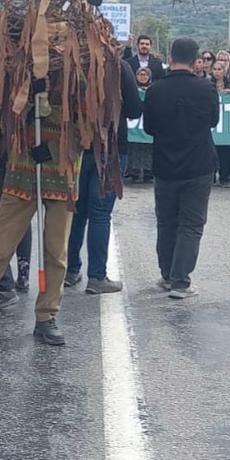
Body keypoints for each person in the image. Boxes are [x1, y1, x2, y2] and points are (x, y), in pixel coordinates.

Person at [0, 69, 82, 347]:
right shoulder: (18, 69)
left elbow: (95, 121)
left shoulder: (79, 72)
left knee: (56, 251)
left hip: (63, 172)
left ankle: (46, 316)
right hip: (23, 169)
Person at [143, 38, 220, 299]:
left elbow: (149, 128)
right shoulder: (207, 89)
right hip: (198, 164)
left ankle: (167, 274)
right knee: (191, 224)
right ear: (195, 59)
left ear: (170, 57)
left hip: (165, 163)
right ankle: (180, 280)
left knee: (166, 221)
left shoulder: (155, 90)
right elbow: (213, 121)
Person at [66, 60, 143, 294]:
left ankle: (69, 270)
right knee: (100, 214)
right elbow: (134, 109)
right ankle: (97, 277)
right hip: (110, 148)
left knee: (76, 212)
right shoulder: (118, 66)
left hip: (76, 147)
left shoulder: (72, 61)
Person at [210, 61, 230, 186]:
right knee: (216, 150)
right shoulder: (208, 85)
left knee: (228, 151)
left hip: (228, 121)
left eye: (219, 69)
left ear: (224, 71)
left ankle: (229, 176)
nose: (217, 72)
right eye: (215, 69)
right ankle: (217, 177)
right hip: (214, 122)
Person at [127, 66, 155, 184]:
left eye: (145, 75)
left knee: (148, 148)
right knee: (135, 148)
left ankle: (148, 171)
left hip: (148, 121)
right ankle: (134, 171)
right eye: (140, 74)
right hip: (134, 124)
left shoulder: (153, 89)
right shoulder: (132, 89)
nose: (143, 77)